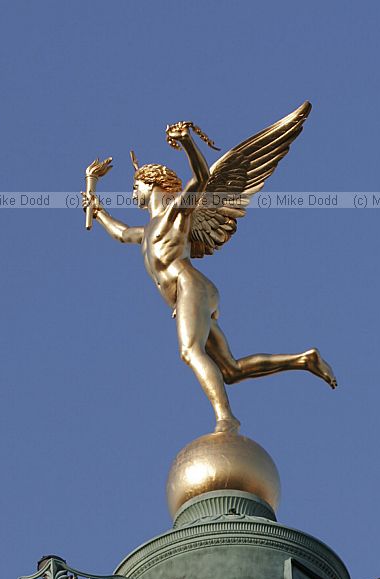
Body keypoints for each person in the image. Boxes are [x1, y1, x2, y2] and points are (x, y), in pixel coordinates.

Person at [82, 105, 336, 433]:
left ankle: (226, 418)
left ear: (151, 183)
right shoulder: (146, 232)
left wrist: (187, 141)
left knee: (190, 352)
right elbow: (118, 233)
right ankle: (304, 359)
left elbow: (203, 180)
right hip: (188, 296)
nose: (133, 194)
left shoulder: (177, 213)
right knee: (230, 369)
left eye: (136, 187)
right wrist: (92, 191)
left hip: (191, 287)